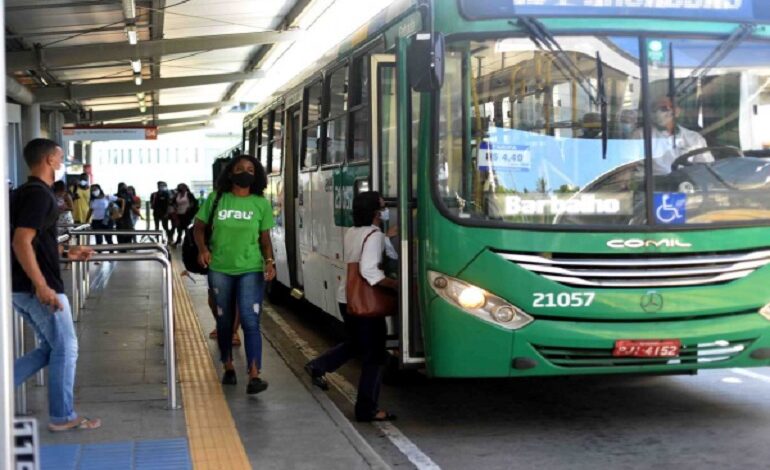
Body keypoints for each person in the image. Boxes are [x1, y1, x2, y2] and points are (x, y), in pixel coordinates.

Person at [10, 138, 101, 432]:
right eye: (60, 157)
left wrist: (66, 252)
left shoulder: (25, 193)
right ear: (49, 160)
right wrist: (41, 285)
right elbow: (21, 241)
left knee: (51, 349)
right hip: (38, 287)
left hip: (25, 285)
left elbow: (35, 242)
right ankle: (62, 416)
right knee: (67, 348)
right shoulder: (39, 195)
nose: (62, 162)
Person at [304, 191, 398, 422]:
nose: (386, 209)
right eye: (383, 206)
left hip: (346, 297)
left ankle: (318, 366)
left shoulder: (353, 232)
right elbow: (369, 271)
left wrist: (385, 238)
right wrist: (396, 285)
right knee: (374, 355)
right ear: (376, 212)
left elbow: (361, 254)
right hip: (365, 303)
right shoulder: (374, 235)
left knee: (356, 343)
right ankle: (367, 409)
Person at [194, 154, 276, 394]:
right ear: (230, 173)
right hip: (220, 267)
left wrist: (269, 261)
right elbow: (198, 228)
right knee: (224, 319)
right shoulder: (216, 199)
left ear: (256, 174)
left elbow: (265, 239)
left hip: (251, 268)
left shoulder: (261, 203)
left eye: (250, 169)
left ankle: (254, 375)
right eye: (240, 168)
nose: (245, 172)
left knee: (251, 320)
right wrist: (203, 249)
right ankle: (228, 366)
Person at [633, 96, 713, 174]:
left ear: (676, 112)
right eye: (655, 109)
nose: (658, 113)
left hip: (686, 183)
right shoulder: (641, 135)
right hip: (654, 184)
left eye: (663, 108)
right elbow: (632, 167)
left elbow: (706, 167)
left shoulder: (695, 138)